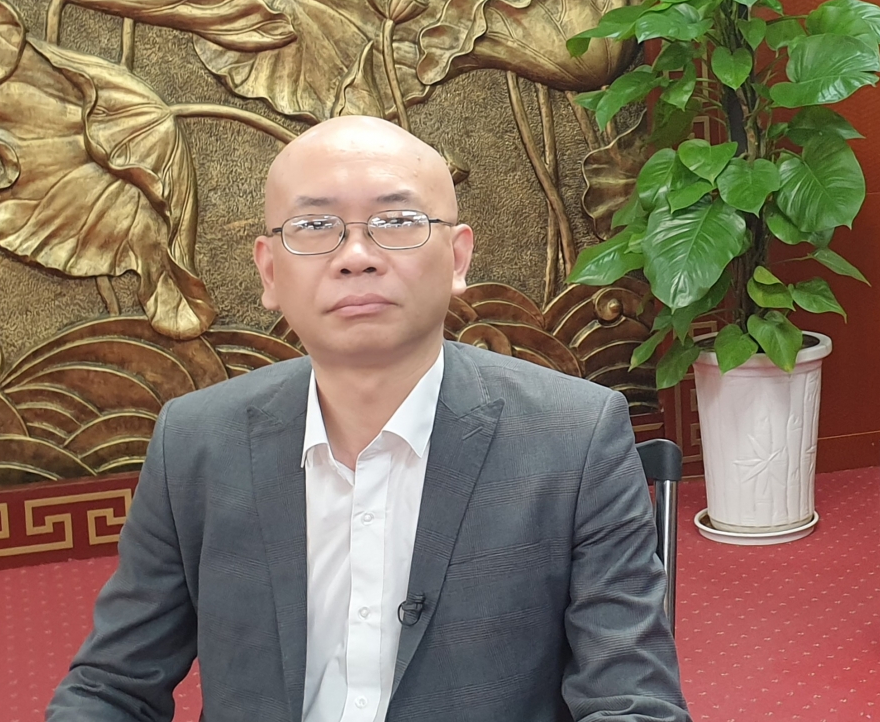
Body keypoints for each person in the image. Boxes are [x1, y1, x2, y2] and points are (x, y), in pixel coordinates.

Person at [47, 115, 690, 722]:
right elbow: (111, 687)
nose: (356, 255)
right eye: (315, 226)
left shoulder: (573, 438)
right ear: (269, 271)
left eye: (397, 221)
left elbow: (632, 701)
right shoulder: (195, 442)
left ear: (458, 258)